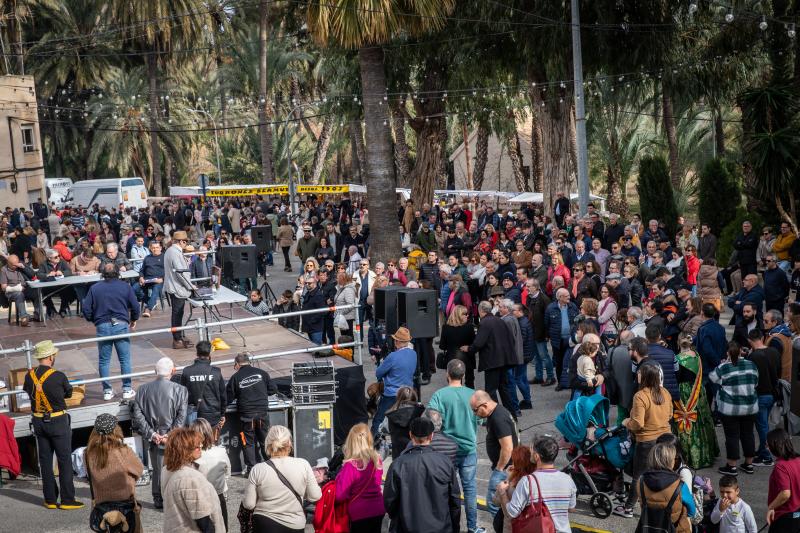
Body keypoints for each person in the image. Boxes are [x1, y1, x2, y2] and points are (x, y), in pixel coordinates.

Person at [22, 340, 84, 510]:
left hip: (38, 422)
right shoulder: (58, 376)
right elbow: (69, 392)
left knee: (45, 460)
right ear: (51, 357)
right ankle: (67, 500)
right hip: (57, 421)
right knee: (64, 461)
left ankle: (49, 499)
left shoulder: (29, 375)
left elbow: (27, 390)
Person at [428, 359, 480, 533]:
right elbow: (480, 419)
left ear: (447, 375)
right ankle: (473, 527)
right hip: (469, 450)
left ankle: (448, 526)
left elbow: (432, 421)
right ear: (464, 376)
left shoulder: (439, 395)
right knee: (470, 489)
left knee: (446, 491)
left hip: (446, 451)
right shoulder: (473, 395)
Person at [615, 363, 673, 518]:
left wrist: (626, 422)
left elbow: (637, 423)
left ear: (645, 376)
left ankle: (628, 508)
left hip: (647, 442)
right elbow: (670, 415)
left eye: (640, 372)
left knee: (639, 476)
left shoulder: (640, 396)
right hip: (666, 440)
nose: (637, 374)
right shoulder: (665, 392)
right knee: (663, 473)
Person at [383, 417, 461, 533]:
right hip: (441, 527)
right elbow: (454, 500)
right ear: (431, 436)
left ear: (410, 435)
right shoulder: (445, 462)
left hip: (406, 526)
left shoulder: (398, 464)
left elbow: (390, 501)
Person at [130, 357, 188, 510]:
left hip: (154, 438)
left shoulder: (142, 389)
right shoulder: (180, 389)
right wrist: (170, 434)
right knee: (176, 467)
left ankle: (158, 499)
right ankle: (173, 497)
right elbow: (181, 416)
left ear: (156, 371)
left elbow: (138, 415)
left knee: (157, 469)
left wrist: (152, 434)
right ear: (173, 371)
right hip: (172, 437)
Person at [243, 425, 322, 533]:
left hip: (264, 524)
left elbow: (249, 504)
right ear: (289, 443)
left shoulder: (258, 469)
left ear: (268, 443)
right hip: (295, 525)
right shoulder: (303, 464)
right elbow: (315, 496)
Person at [82, 263, 140, 401]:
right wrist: (133, 319)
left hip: (102, 325)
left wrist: (94, 320)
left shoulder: (95, 288)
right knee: (124, 359)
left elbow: (86, 309)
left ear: (102, 273)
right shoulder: (125, 286)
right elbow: (136, 306)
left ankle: (107, 391)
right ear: (117, 272)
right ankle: (127, 389)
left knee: (104, 361)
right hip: (121, 324)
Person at [502, 436, 578, 533]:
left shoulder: (527, 481)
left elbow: (512, 513)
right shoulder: (568, 480)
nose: (530, 454)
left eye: (531, 451)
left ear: (537, 456)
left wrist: (502, 493)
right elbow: (571, 508)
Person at [85, 413, 144, 533]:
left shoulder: (87, 454)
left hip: (102, 508)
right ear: (116, 430)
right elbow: (139, 469)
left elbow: (89, 476)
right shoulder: (123, 451)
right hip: (126, 505)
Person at [161, 427, 225, 533]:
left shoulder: (166, 470)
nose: (200, 447)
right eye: (196, 446)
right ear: (185, 450)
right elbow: (203, 519)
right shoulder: (190, 477)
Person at [709, 341, 759, 476]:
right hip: (750, 407)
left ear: (727, 353)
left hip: (730, 409)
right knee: (748, 434)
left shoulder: (724, 367)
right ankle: (749, 464)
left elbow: (712, 377)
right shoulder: (751, 365)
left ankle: (732, 466)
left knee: (732, 436)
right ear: (741, 351)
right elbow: (756, 381)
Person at [673, 333, 719, 469]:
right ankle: (706, 453)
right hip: (698, 389)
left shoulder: (677, 359)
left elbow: (677, 377)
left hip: (685, 391)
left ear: (678, 342)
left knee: (687, 420)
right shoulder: (697, 356)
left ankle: (690, 456)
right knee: (701, 420)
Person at [470, 390, 519, 517]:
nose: (474, 414)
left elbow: (507, 447)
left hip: (505, 469)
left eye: (475, 410)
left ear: (485, 405)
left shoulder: (498, 418)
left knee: (494, 504)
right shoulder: (496, 413)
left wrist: (499, 469)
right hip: (508, 468)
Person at [226, 352, 276, 472]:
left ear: (237, 364)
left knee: (248, 443)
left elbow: (228, 398)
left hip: (246, 415)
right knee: (265, 441)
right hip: (262, 414)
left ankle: (252, 469)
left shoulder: (235, 377)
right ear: (249, 362)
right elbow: (273, 389)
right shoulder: (262, 373)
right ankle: (272, 467)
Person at [462, 301, 517, 409]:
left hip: (493, 361)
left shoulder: (485, 322)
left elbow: (478, 343)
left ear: (480, 310)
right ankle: (511, 414)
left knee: (491, 390)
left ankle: (495, 414)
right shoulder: (500, 320)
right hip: (504, 360)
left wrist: (469, 348)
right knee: (503, 388)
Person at [635, 443, 696, 533]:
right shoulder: (680, 485)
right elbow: (692, 511)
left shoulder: (640, 481)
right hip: (675, 529)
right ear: (670, 461)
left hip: (648, 527)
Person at [335, 423, 385, 532]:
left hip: (359, 512)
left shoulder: (350, 466)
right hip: (378, 508)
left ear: (351, 442)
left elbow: (340, 496)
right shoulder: (377, 461)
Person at [372, 327, 417, 435]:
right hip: (408, 393)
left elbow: (378, 373)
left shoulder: (393, 356)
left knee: (378, 419)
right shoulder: (413, 354)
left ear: (397, 342)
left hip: (392, 394)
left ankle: (372, 443)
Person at [746, 330, 781, 467]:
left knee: (762, 427)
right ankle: (762, 451)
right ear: (763, 337)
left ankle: (766, 456)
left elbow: (751, 378)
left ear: (750, 341)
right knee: (764, 425)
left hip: (760, 395)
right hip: (772, 394)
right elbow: (778, 371)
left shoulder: (753, 356)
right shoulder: (774, 352)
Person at [192, 418, 231, 532]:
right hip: (218, 496)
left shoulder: (191, 456)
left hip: (198, 499)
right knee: (222, 528)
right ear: (210, 432)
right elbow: (228, 473)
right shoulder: (221, 452)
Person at [181, 340, 226, 428]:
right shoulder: (216, 372)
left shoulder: (187, 371)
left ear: (197, 354)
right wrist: (223, 414)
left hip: (193, 416)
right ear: (209, 354)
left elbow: (182, 395)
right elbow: (223, 396)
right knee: (211, 441)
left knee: (194, 441)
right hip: (212, 416)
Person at [492, 445, 537, 533]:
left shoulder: (511, 485)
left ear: (517, 464)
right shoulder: (536, 480)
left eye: (514, 461)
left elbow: (495, 501)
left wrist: (507, 479)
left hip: (511, 527)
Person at [163, 230, 196, 349]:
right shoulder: (174, 252)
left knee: (178, 313)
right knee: (177, 314)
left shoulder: (171, 251)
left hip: (174, 287)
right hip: (177, 288)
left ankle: (179, 337)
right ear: (181, 241)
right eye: (185, 242)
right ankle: (177, 339)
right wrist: (191, 286)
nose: (186, 244)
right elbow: (181, 273)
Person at [544, 288, 579, 389]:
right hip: (557, 341)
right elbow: (547, 324)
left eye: (569, 295)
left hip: (571, 340)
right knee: (559, 362)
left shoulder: (573, 306)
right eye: (566, 296)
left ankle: (571, 382)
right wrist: (549, 336)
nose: (569, 297)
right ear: (559, 297)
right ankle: (560, 383)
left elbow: (577, 322)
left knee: (572, 361)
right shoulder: (550, 308)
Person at [766, 428, 800, 532]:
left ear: (774, 445)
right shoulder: (798, 460)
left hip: (785, 516)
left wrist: (771, 507)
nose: (766, 448)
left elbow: (785, 493)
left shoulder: (780, 466)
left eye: (767, 445)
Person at [438, 305, 476, 388]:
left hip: (452, 359)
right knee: (470, 383)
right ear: (459, 315)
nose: (467, 315)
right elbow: (474, 344)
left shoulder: (446, 328)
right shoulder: (469, 327)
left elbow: (442, 346)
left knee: (454, 384)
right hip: (467, 359)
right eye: (465, 314)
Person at [385, 386, 425, 460]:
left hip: (397, 454)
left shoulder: (391, 413)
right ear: (414, 397)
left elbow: (385, 430)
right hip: (416, 453)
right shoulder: (420, 412)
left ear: (398, 397)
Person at [0, 253, 35, 325]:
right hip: (11, 291)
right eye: (13, 265)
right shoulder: (4, 270)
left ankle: (37, 315)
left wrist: (24, 267)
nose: (16, 266)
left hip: (24, 288)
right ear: (8, 263)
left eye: (17, 263)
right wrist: (17, 288)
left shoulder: (20, 265)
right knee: (19, 294)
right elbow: (3, 288)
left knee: (36, 292)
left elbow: (32, 274)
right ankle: (24, 317)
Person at [138, 240, 165, 317]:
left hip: (159, 280)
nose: (155, 249)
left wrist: (162, 279)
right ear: (150, 248)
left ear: (160, 248)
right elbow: (142, 270)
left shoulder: (164, 257)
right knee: (134, 289)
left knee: (155, 290)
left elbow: (169, 271)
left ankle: (148, 308)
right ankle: (151, 302)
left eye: (157, 247)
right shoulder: (147, 258)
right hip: (147, 280)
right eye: (153, 248)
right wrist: (141, 277)